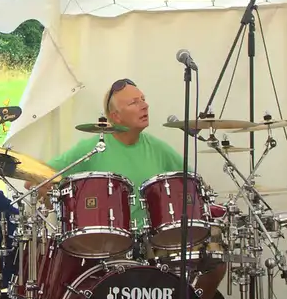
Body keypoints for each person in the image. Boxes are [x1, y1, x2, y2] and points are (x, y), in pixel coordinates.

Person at [47, 78, 185, 232]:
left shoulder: (159, 149)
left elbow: (193, 184)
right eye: (134, 103)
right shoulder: (92, 148)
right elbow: (40, 177)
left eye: (143, 100)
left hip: (152, 247)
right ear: (115, 117)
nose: (145, 106)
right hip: (106, 246)